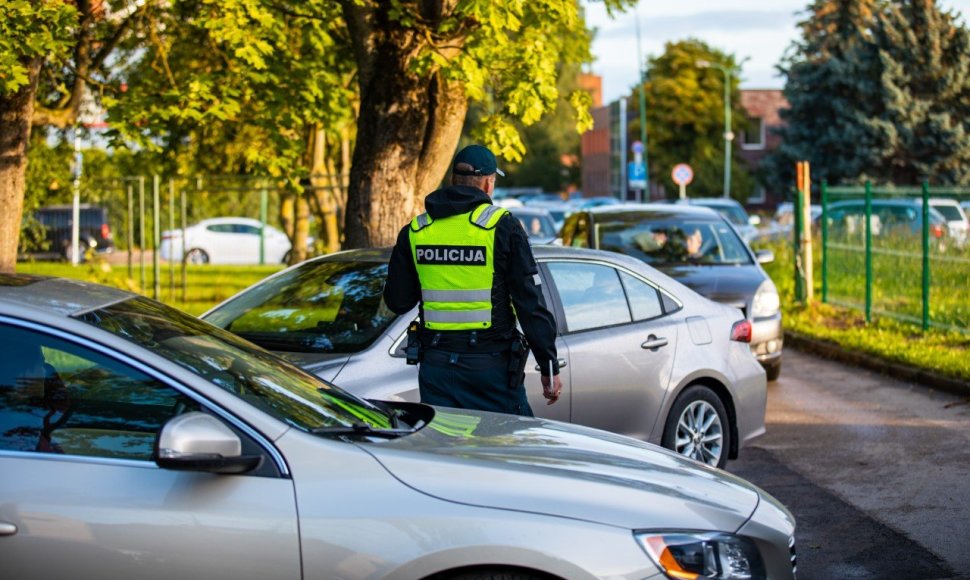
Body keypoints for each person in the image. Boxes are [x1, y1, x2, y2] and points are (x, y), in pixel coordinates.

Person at [383, 144, 562, 416]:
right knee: (507, 447)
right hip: (490, 369)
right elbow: (529, 302)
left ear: (453, 180)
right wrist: (548, 365)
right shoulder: (501, 227)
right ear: (488, 184)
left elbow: (397, 301)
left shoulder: (417, 230)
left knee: (447, 451)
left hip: (437, 368)